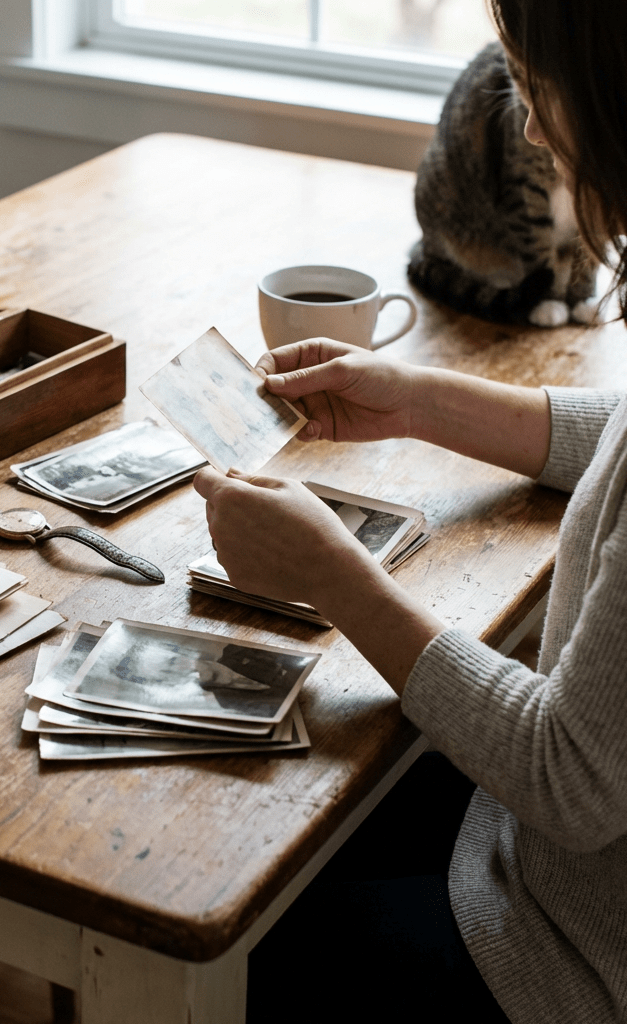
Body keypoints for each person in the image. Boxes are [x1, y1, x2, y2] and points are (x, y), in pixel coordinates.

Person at [194, 2, 627, 1021]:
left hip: (569, 964)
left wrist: (335, 577)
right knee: (290, 809)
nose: (527, 130)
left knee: (227, 919)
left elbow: (568, 776)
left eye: (536, 88)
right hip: (544, 869)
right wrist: (417, 399)